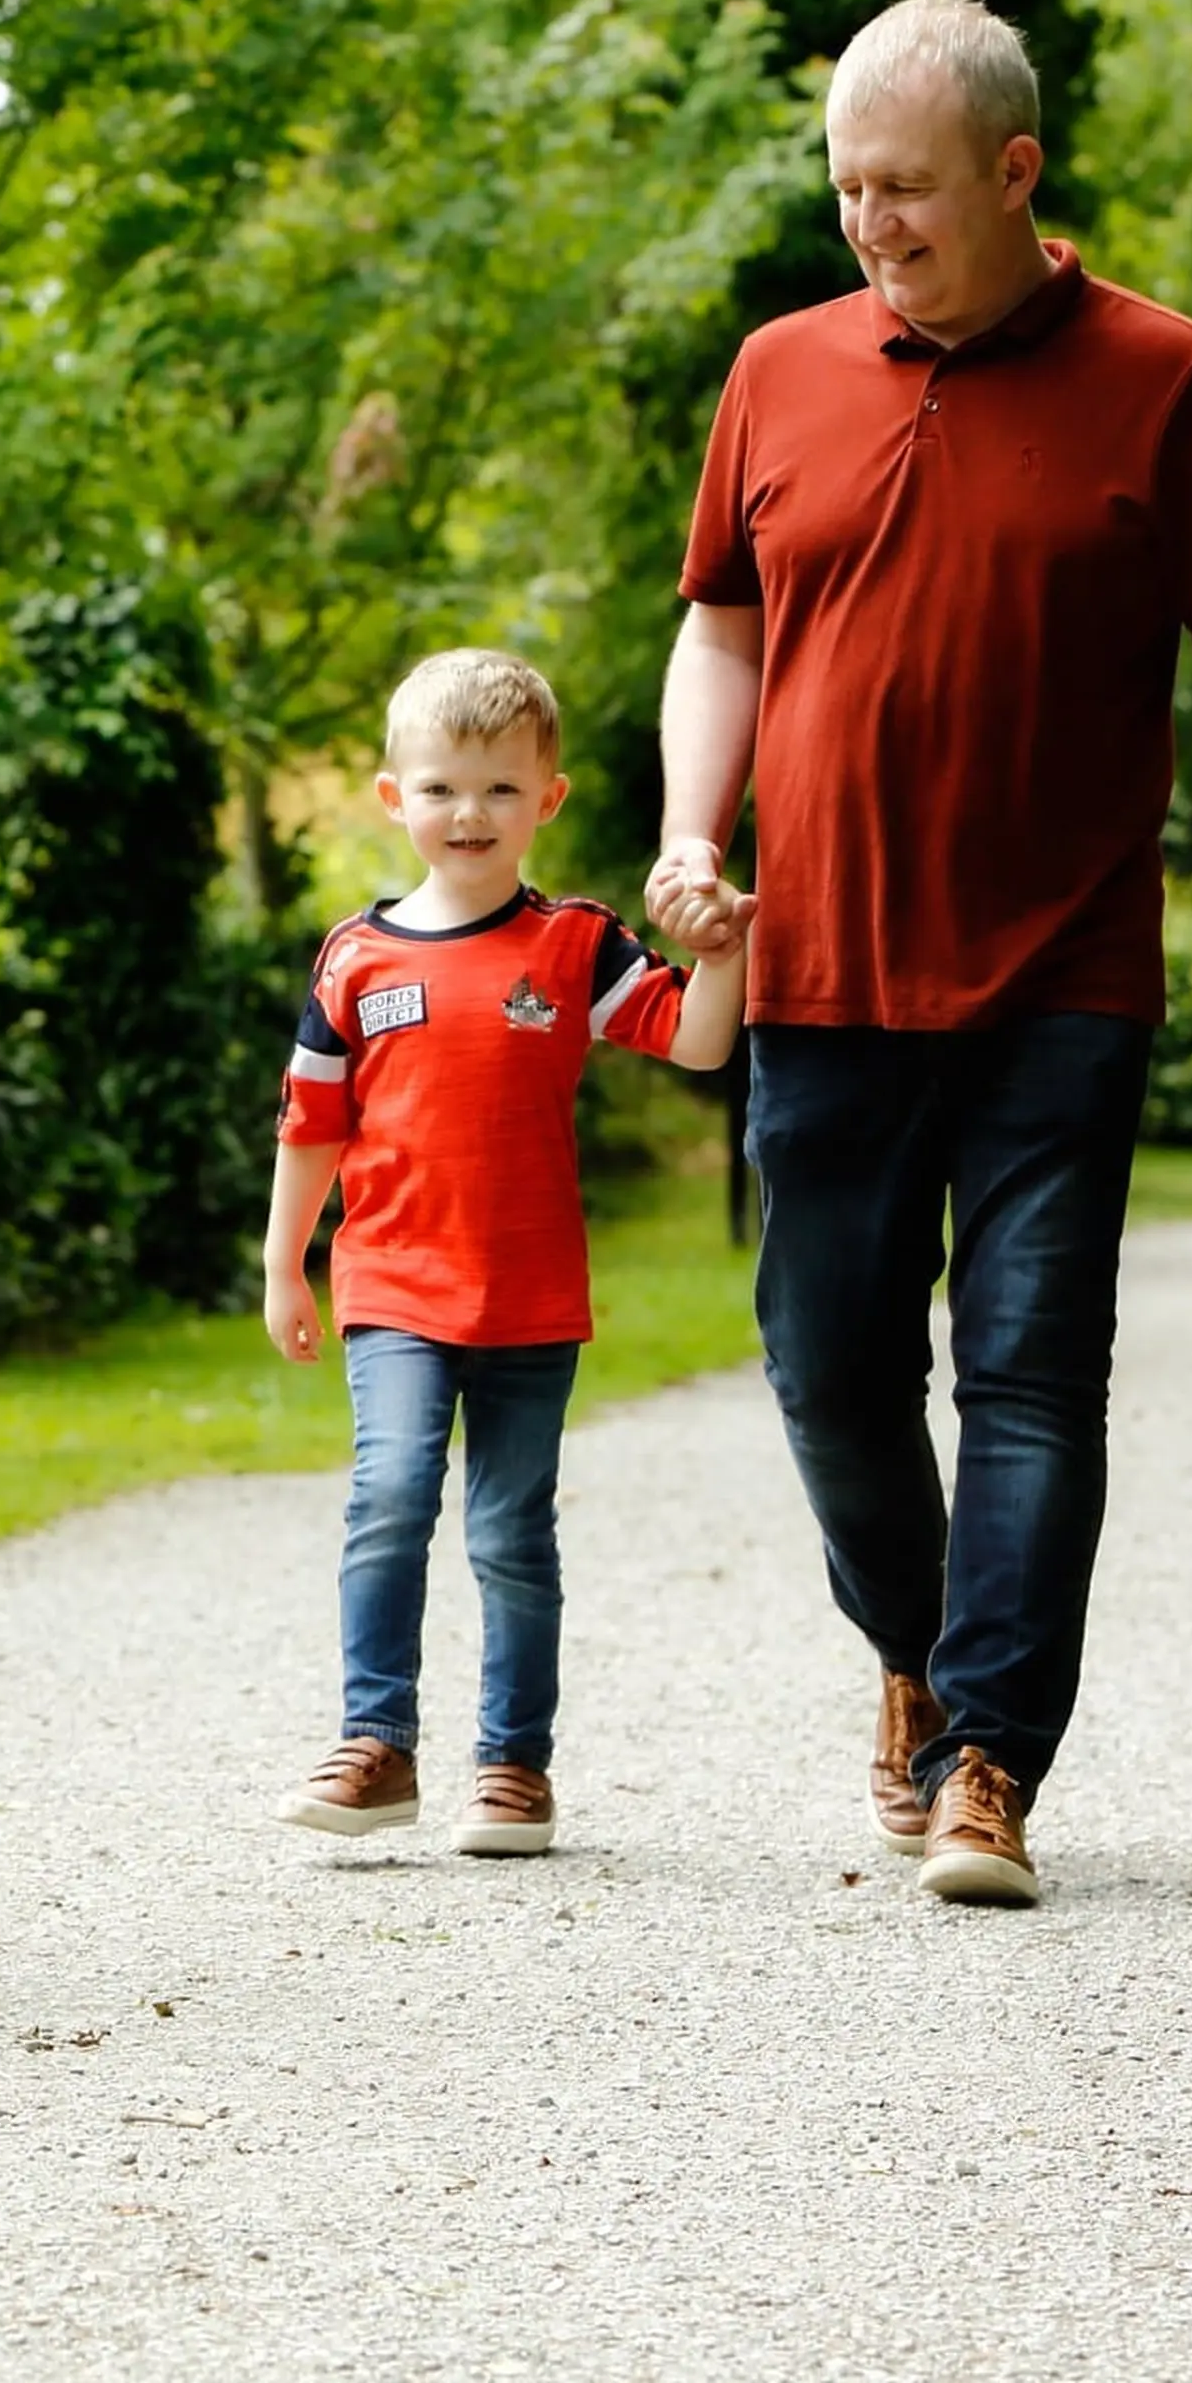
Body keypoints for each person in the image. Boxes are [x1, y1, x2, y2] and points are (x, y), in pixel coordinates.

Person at [647, 0, 1192, 1907]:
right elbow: (722, 628)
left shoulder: (1171, 379)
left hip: (1061, 973)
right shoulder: (778, 372)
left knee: (1030, 1372)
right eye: (849, 190)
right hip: (825, 963)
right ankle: (919, 1658)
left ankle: (991, 1762)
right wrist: (693, 833)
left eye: (912, 191)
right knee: (827, 1370)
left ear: (1018, 174)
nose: (874, 226)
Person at [263, 649, 745, 1857]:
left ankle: (512, 1768)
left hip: (529, 1295)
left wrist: (729, 952)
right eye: (440, 790)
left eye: (497, 791)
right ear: (393, 800)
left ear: (548, 800)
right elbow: (310, 1124)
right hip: (392, 1285)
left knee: (510, 1533)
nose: (467, 815)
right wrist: (285, 1264)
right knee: (388, 1500)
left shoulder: (575, 947)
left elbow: (690, 1041)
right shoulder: (355, 962)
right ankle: (376, 1744)